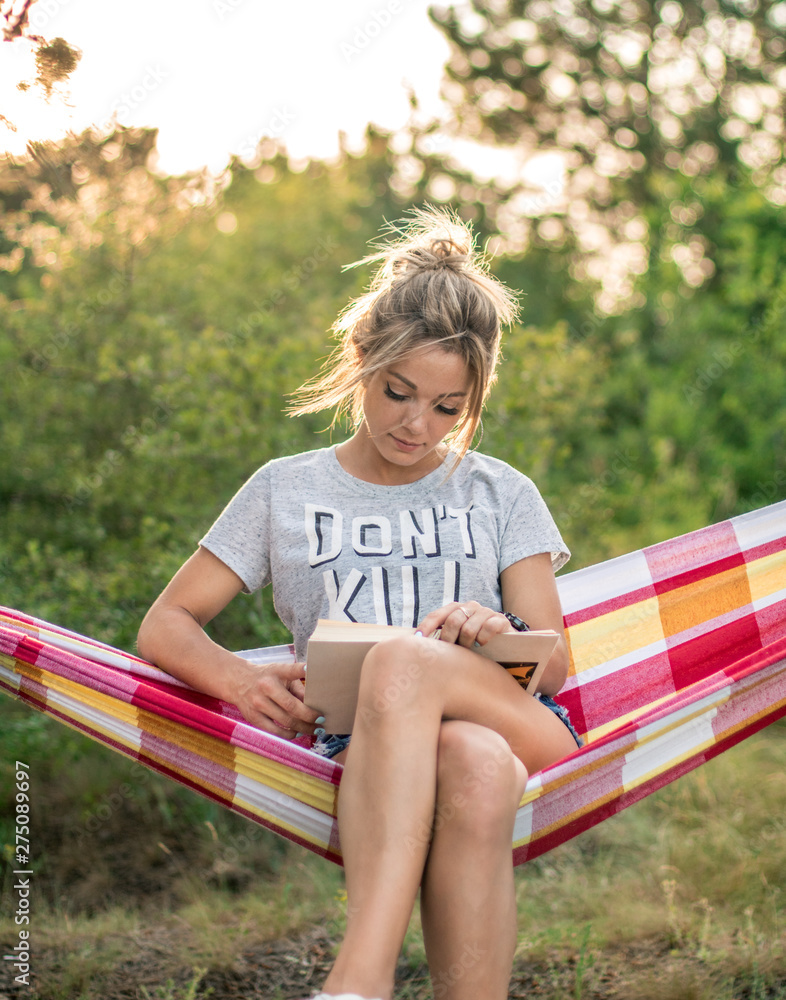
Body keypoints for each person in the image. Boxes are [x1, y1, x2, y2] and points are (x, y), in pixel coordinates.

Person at [137, 206, 581, 1000]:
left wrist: (491, 630)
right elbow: (165, 624)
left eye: (447, 408)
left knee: (412, 663)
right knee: (474, 771)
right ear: (361, 359)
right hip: (366, 752)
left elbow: (557, 660)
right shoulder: (285, 489)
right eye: (398, 392)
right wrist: (238, 682)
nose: (417, 424)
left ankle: (358, 981)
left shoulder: (499, 492)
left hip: (521, 723)